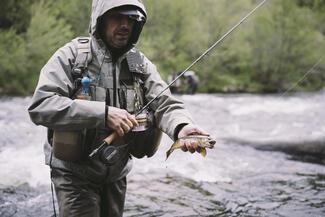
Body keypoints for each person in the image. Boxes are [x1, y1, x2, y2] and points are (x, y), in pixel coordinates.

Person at [28, 0, 209, 216]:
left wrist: (182, 128)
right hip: (73, 176)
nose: (125, 25)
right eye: (117, 17)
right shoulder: (71, 56)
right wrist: (102, 114)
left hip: (116, 175)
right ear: (100, 19)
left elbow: (165, 104)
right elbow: (41, 105)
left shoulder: (140, 64)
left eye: (132, 19)